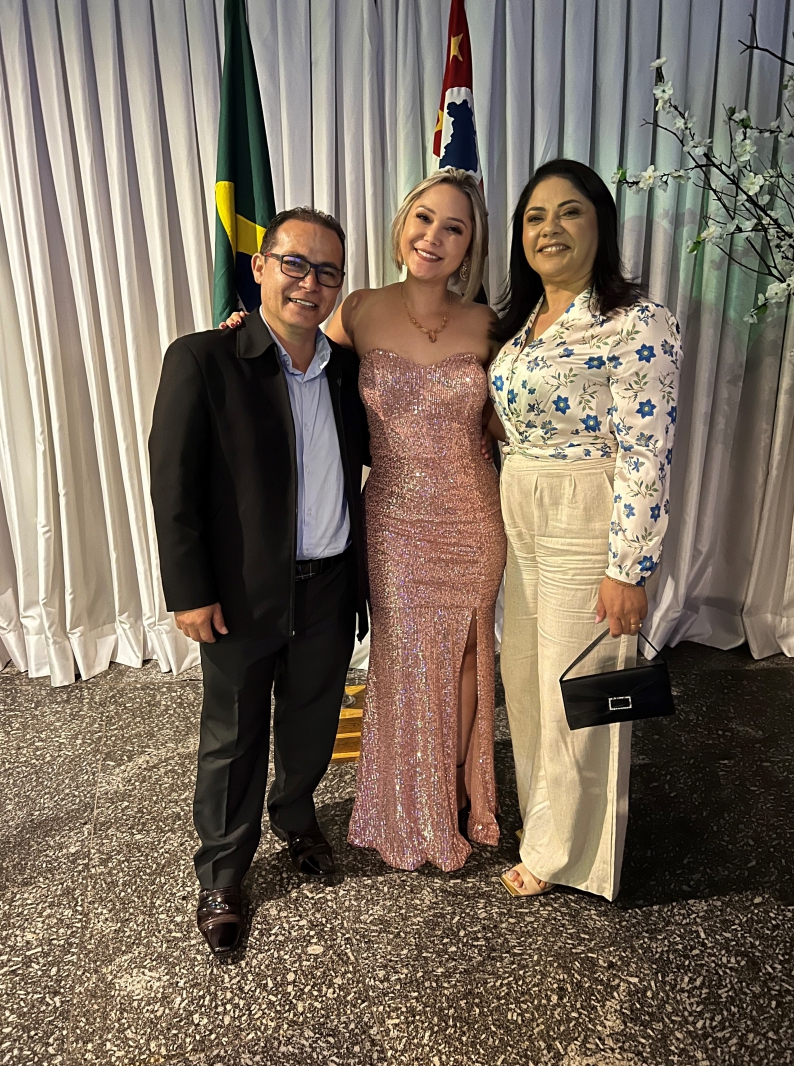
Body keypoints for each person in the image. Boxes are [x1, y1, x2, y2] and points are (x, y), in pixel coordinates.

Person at [149, 207, 369, 955]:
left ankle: (297, 817)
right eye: (295, 264)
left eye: (328, 271)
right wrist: (189, 590)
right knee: (234, 735)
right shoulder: (204, 359)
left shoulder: (347, 371)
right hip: (242, 593)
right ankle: (222, 871)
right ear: (261, 267)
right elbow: (173, 486)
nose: (311, 282)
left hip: (331, 583)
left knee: (311, 724)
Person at [487, 159, 681, 900]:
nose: (551, 228)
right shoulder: (520, 325)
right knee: (527, 677)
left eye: (569, 211)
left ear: (600, 223)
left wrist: (629, 568)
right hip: (521, 508)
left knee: (579, 686)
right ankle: (547, 820)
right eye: (535, 216)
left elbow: (647, 452)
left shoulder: (636, 322)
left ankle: (565, 851)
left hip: (584, 510)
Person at [328, 169, 506, 871]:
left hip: (473, 513)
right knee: (405, 657)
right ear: (403, 224)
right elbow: (293, 362)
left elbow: (513, 417)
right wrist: (239, 332)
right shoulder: (359, 309)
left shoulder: (489, 324)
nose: (434, 236)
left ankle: (456, 795)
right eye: (424, 218)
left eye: (454, 227)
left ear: (470, 246)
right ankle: (410, 798)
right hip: (396, 518)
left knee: (467, 656)